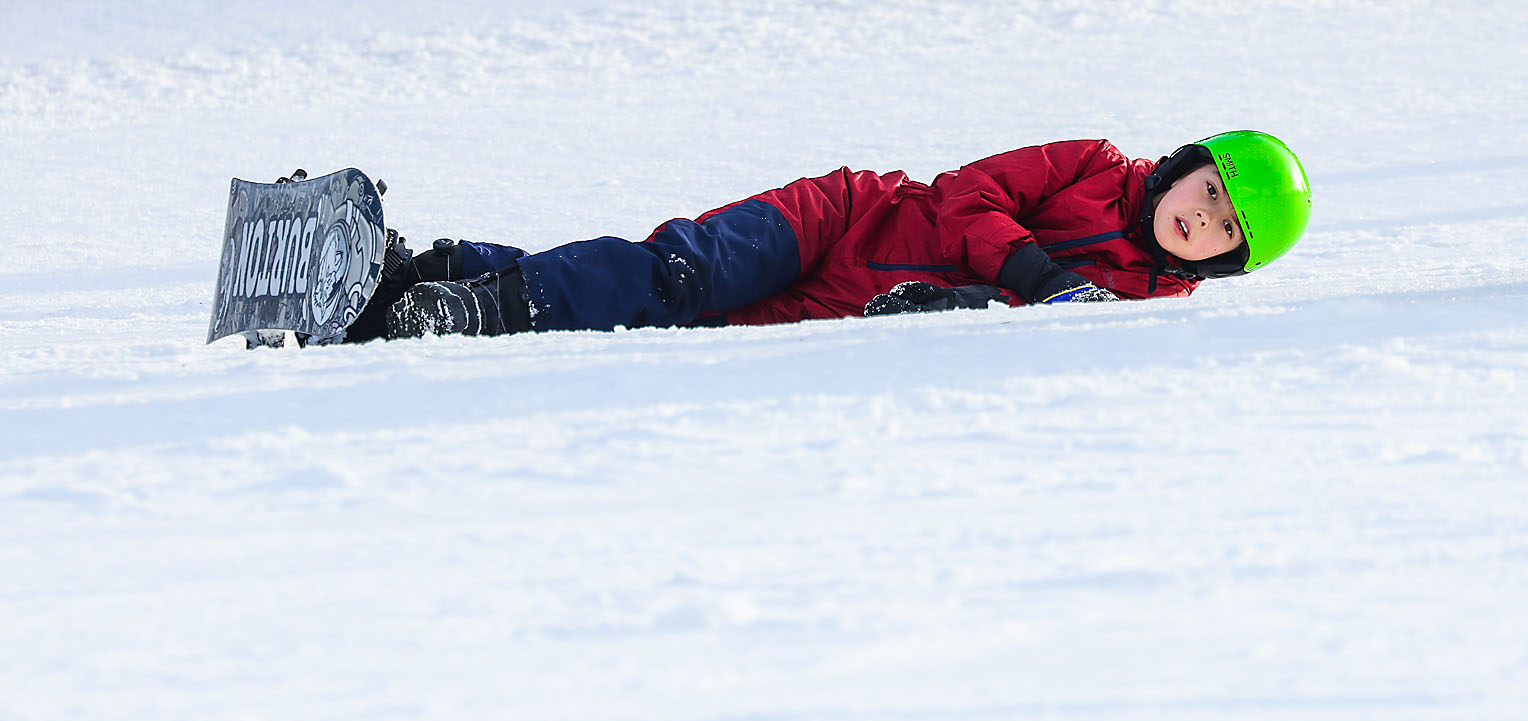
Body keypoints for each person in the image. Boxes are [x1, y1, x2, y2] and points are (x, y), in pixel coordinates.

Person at [341, 130, 1311, 343]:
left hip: (839, 310)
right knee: (677, 274)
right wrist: (1035, 273)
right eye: (1210, 188)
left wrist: (974, 302)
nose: (1200, 215)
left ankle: (428, 274)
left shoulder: (1139, 311)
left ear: (1221, 260)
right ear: (1185, 163)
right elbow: (966, 194)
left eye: (1223, 229)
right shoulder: (1092, 164)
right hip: (843, 218)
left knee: (654, 326)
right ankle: (469, 312)